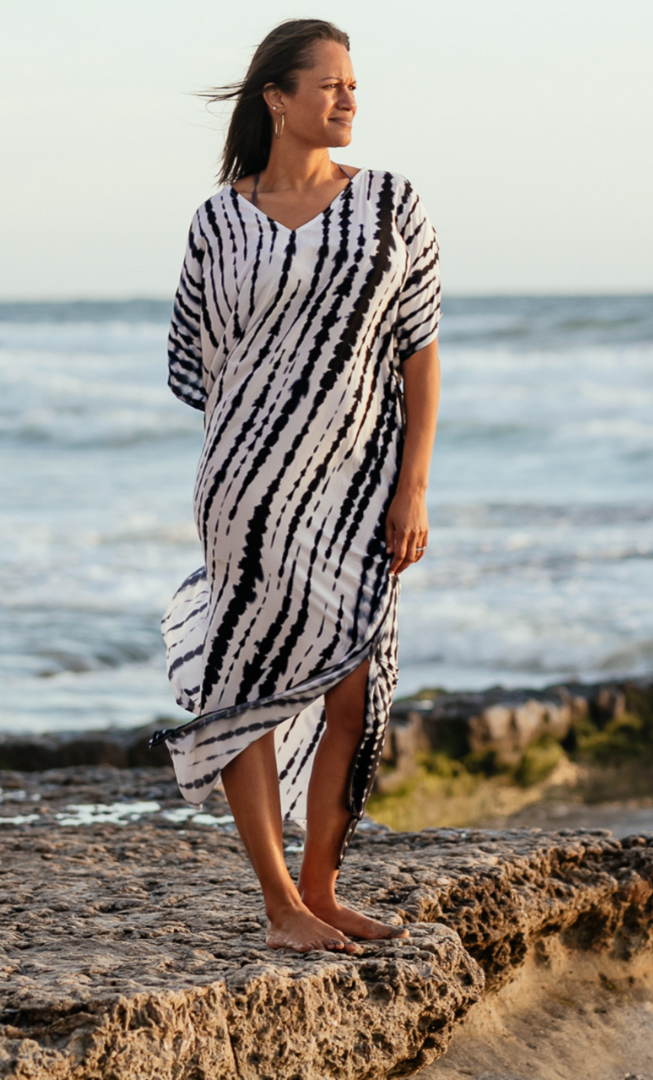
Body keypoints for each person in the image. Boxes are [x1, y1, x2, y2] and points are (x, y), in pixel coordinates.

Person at [150, 17, 441, 954]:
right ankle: (281, 905)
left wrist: (413, 488)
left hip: (359, 488)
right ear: (278, 98)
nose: (350, 98)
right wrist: (257, 451)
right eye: (331, 83)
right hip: (245, 493)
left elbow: (420, 355)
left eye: (355, 84)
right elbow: (201, 361)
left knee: (356, 685)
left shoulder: (393, 205)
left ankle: (320, 885)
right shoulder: (218, 221)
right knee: (243, 680)